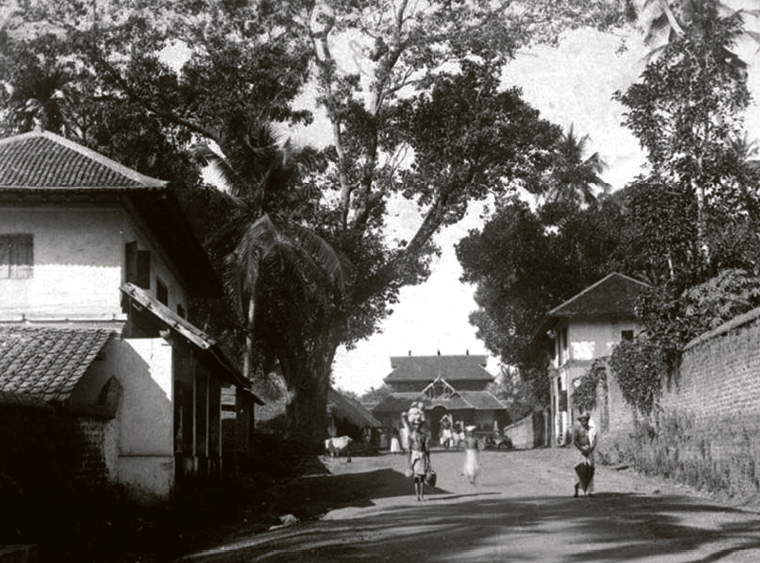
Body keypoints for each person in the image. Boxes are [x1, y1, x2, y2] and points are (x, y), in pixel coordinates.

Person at [402, 412, 431, 501]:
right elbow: (409, 450)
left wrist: (429, 461)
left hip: (422, 455)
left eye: (418, 424)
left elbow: (426, 449)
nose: (416, 426)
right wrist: (409, 463)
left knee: (422, 477)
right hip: (414, 456)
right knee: (415, 478)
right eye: (415, 424)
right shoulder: (411, 436)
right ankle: (417, 495)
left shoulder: (423, 435)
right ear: (412, 425)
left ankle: (422, 495)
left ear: (420, 425)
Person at [572, 412, 597, 497]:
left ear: (588, 420)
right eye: (582, 421)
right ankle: (576, 492)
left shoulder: (592, 430)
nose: (584, 422)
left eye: (585, 420)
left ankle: (589, 491)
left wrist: (590, 450)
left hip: (589, 450)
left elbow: (595, 441)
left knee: (589, 469)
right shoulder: (578, 430)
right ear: (580, 421)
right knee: (578, 469)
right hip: (580, 451)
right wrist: (582, 450)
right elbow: (575, 442)